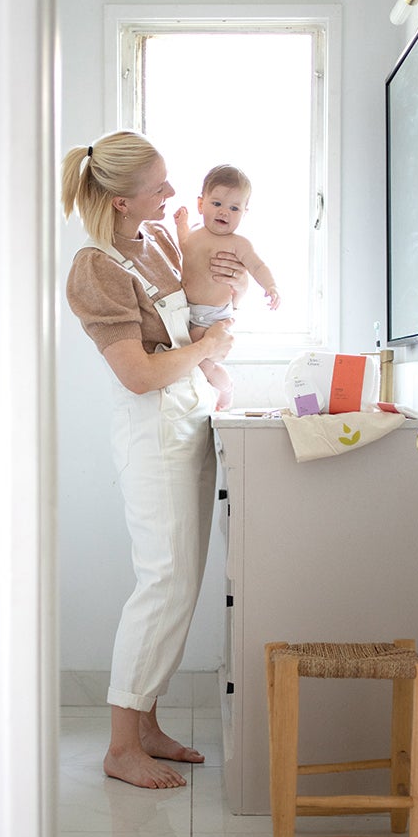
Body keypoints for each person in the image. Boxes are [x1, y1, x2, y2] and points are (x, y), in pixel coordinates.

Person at [62, 131, 249, 790]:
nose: (174, 196)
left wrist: (229, 302)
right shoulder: (95, 269)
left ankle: (146, 723)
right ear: (118, 202)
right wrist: (209, 347)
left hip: (188, 419)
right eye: (159, 187)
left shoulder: (159, 243)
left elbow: (201, 332)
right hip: (152, 429)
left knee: (181, 582)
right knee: (161, 582)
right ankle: (120, 744)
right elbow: (139, 374)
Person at [174, 164, 280, 408]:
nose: (225, 212)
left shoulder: (238, 243)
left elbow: (257, 266)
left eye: (234, 207)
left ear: (244, 212)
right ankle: (206, 390)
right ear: (201, 204)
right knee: (185, 356)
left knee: (199, 360)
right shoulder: (195, 234)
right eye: (217, 204)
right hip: (186, 310)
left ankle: (226, 387)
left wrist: (271, 286)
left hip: (212, 315)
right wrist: (181, 225)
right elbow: (184, 248)